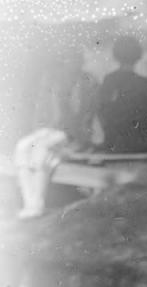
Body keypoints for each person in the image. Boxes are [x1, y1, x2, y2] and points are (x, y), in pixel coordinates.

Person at [12, 46, 99, 218]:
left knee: (43, 150)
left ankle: (36, 204)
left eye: (75, 59)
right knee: (22, 147)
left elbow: (82, 116)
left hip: (72, 134)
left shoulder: (86, 81)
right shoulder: (53, 79)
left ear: (80, 62)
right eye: (68, 59)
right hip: (48, 130)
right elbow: (43, 110)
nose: (71, 64)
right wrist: (42, 129)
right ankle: (29, 202)